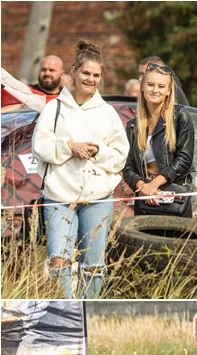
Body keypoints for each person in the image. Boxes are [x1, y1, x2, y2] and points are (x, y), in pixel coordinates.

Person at [31, 40, 129, 299]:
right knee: (58, 261)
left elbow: (120, 156)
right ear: (73, 71)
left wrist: (98, 151)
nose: (91, 79)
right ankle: (65, 307)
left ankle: (88, 305)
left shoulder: (107, 113)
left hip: (97, 198)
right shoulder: (55, 107)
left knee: (94, 265)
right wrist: (69, 146)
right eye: (86, 73)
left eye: (96, 75)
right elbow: (39, 146)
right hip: (59, 196)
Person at [122, 61, 195, 217]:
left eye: (161, 87)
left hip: (173, 196)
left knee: (177, 241)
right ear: (142, 87)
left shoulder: (180, 116)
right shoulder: (132, 126)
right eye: (150, 85)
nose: (155, 90)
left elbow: (184, 160)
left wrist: (154, 184)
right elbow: (127, 167)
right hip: (145, 198)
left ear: (168, 91)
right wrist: (144, 187)